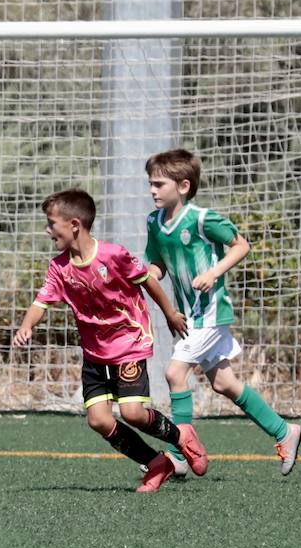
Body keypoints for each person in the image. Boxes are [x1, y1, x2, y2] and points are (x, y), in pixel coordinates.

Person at [13, 189, 193, 493]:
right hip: (95, 353)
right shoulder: (59, 267)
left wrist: (170, 312)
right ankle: (156, 463)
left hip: (128, 343)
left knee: (133, 412)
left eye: (51, 223)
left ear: (73, 224)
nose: (47, 230)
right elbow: (41, 301)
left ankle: (181, 438)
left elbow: (148, 280)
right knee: (98, 420)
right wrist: (26, 325)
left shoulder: (114, 255)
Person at [144, 148, 301, 477]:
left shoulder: (202, 219)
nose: (152, 191)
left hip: (210, 313)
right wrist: (143, 278)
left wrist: (214, 273)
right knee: (225, 383)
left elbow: (241, 245)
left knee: (175, 374)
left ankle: (178, 453)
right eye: (151, 184)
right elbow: (157, 264)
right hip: (190, 315)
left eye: (159, 184)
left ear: (184, 186)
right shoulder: (154, 223)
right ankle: (284, 431)